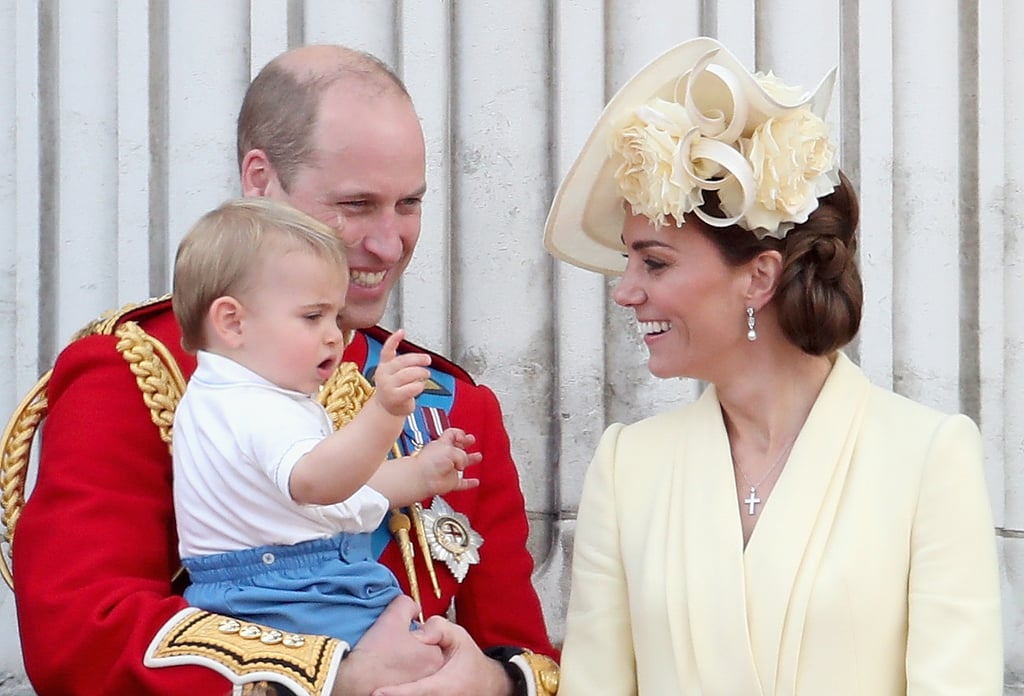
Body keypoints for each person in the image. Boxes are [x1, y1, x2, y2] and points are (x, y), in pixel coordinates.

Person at [14, 45, 558, 695]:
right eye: (356, 205)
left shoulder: (453, 404)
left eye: (408, 204)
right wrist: (335, 678)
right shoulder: (135, 375)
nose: (389, 243)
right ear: (260, 181)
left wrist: (497, 684)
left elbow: (521, 647)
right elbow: (80, 635)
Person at [544, 36, 1003, 695]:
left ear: (759, 276)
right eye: (628, 261)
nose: (625, 291)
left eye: (655, 261)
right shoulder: (626, 467)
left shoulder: (928, 458)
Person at [171, 198, 480, 645]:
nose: (335, 334)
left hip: (267, 586)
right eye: (313, 316)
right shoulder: (257, 405)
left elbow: (331, 493)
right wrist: (384, 413)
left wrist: (419, 473)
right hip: (295, 591)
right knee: (417, 664)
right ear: (232, 322)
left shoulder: (223, 393)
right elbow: (318, 483)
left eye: (335, 316)